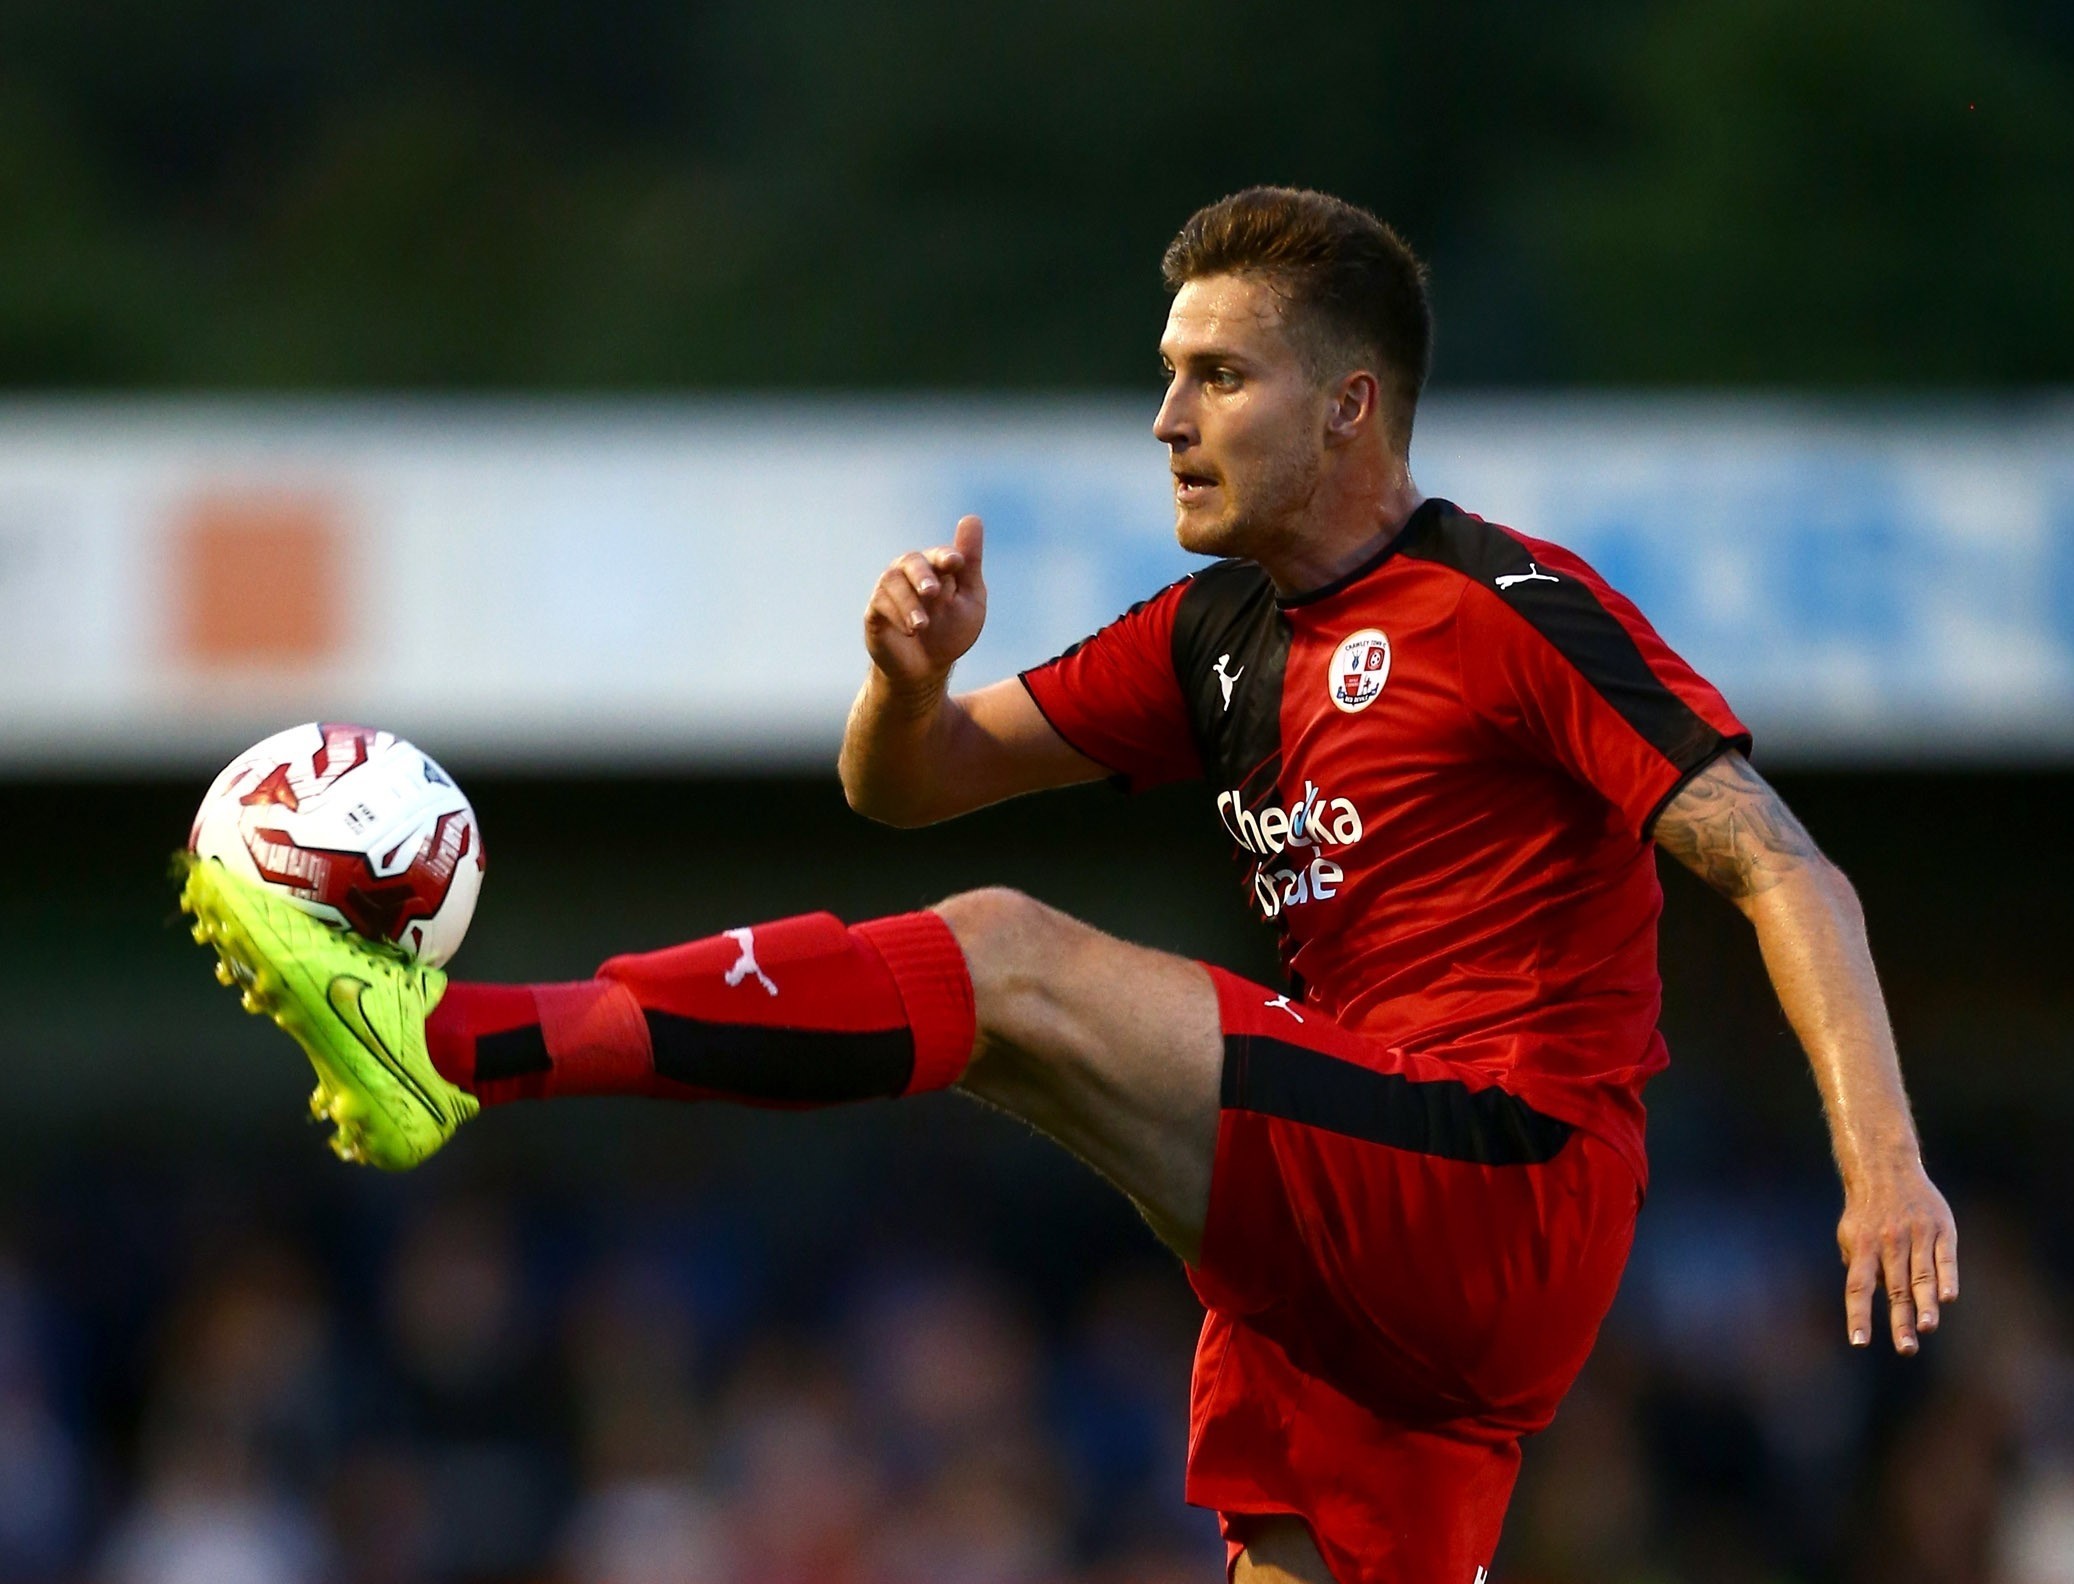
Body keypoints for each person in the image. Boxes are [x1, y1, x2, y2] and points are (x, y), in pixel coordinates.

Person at [177, 186, 1958, 1584]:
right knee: (1001, 999)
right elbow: (912, 786)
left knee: (1010, 970)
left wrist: (1881, 1169)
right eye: (1167, 371)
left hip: (1497, 1173)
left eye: (1217, 377)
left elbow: (1787, 869)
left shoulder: (1507, 612)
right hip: (1364, 1243)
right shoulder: (1216, 633)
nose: (1164, 414)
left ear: (1348, 406)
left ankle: (464, 1039)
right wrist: (903, 674)